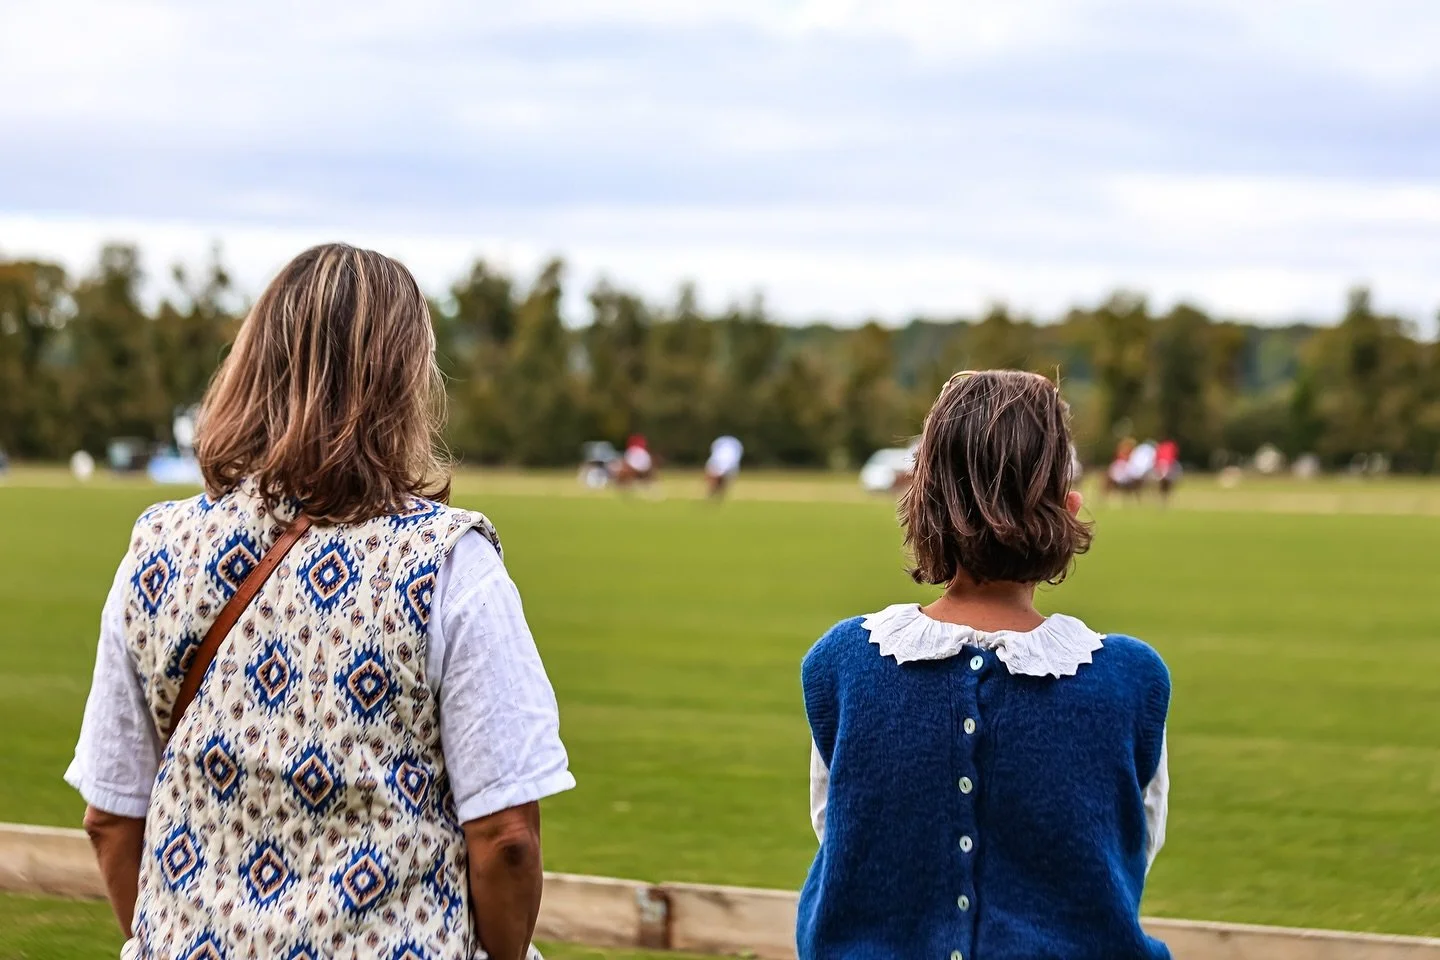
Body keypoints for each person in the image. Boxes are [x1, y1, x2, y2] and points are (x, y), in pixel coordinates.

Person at [66, 244, 574, 960]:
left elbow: (111, 818)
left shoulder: (156, 549)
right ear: (403, 381)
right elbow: (507, 839)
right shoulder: (450, 563)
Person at [798, 370, 1171, 960]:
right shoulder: (1129, 681)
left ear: (919, 504)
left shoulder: (843, 665)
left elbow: (836, 831)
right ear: (1069, 508)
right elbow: (1133, 850)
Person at [704, 435, 744, 499]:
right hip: (724, 464)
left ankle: (716, 495)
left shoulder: (725, 461)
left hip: (725, 464)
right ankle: (715, 495)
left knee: (720, 482)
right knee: (719, 482)